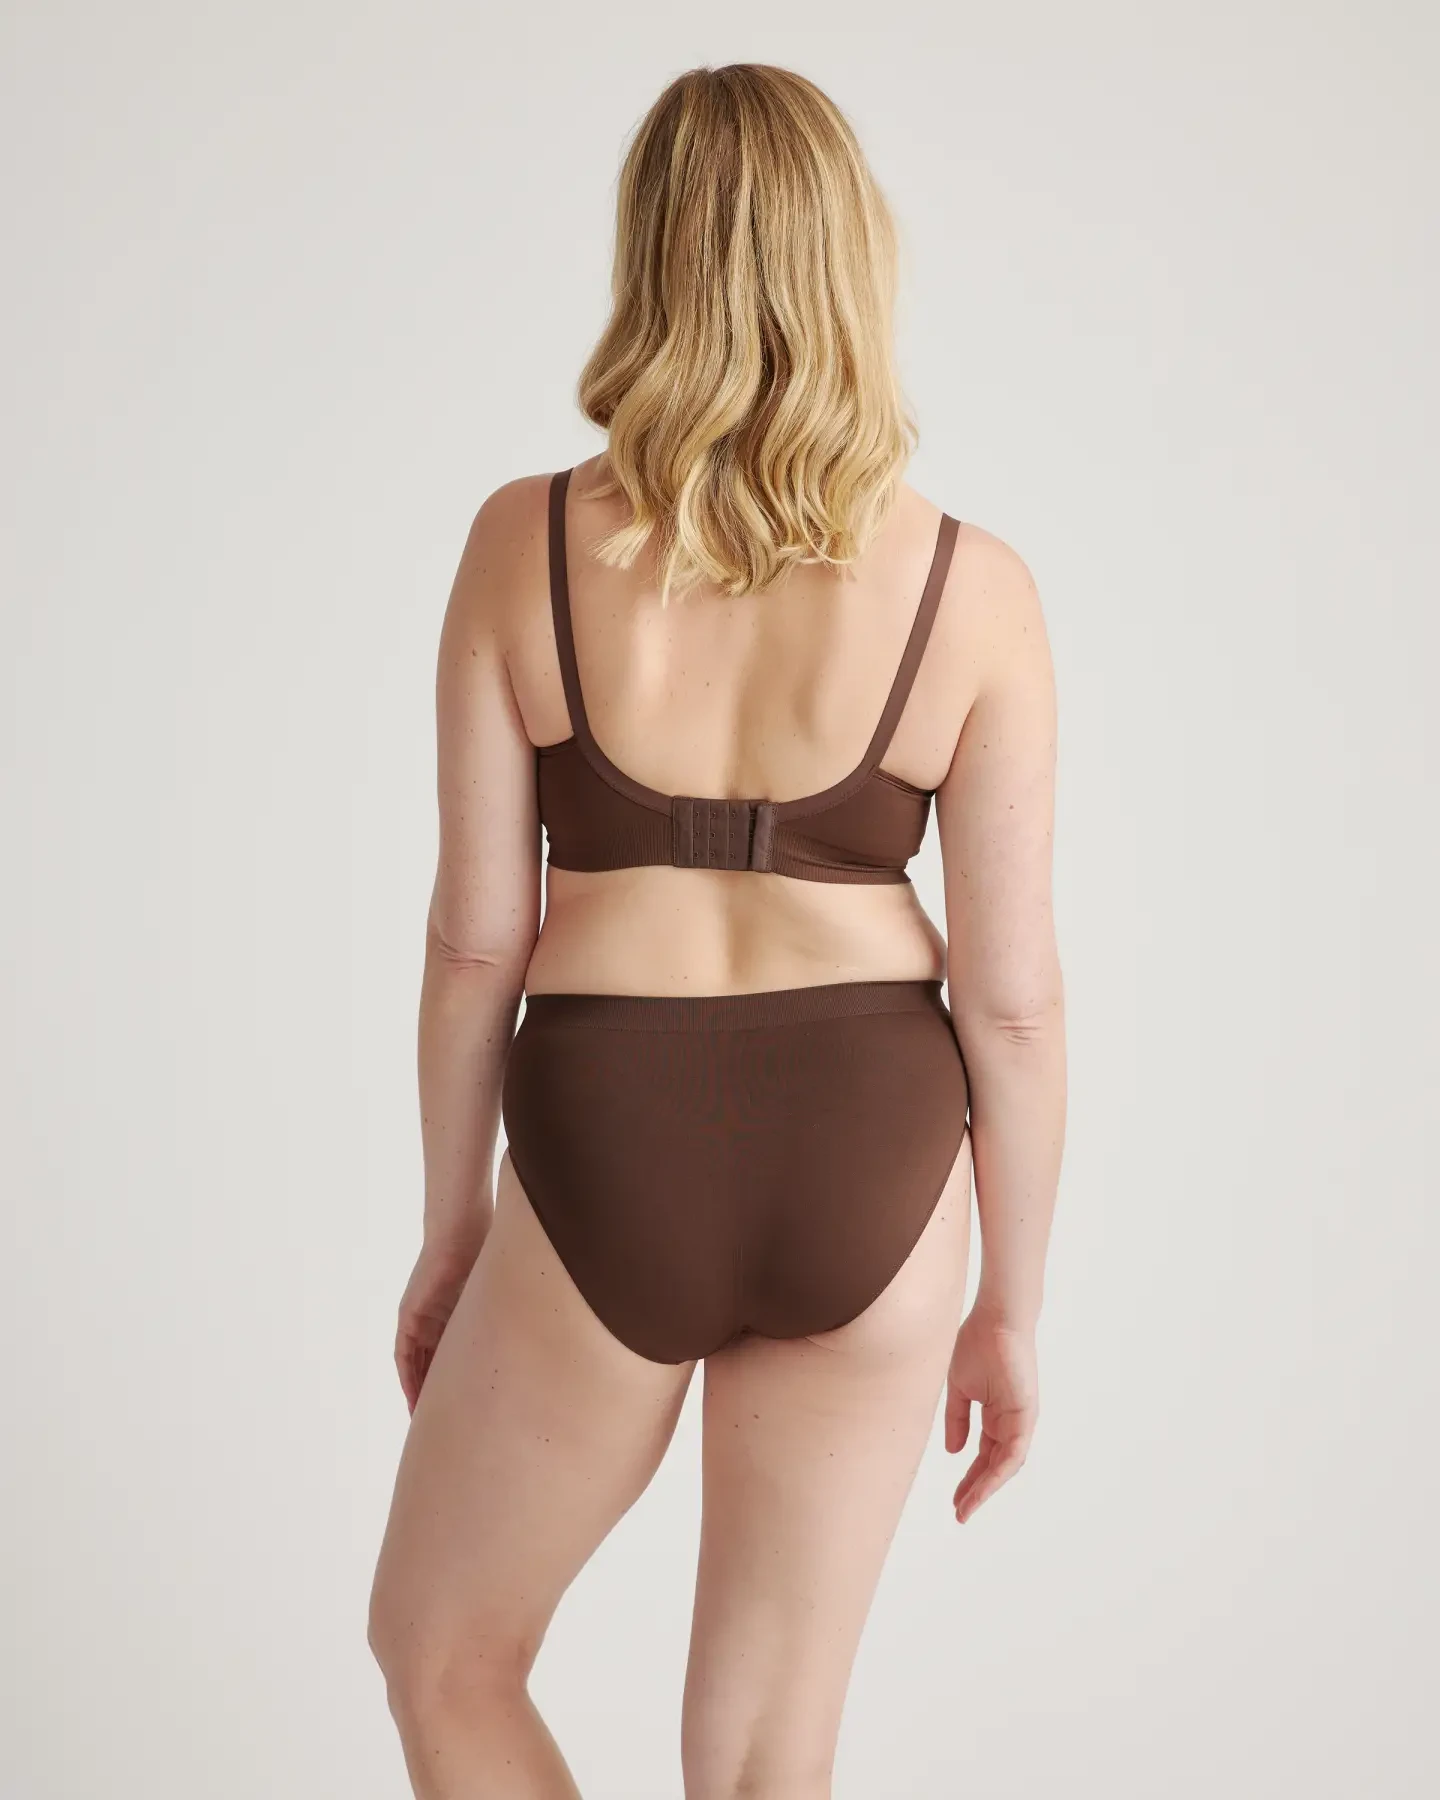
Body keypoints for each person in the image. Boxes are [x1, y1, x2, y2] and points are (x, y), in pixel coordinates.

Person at [368, 61, 1066, 1800]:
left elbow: (474, 944)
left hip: (611, 1133)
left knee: (445, 1654)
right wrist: (1012, 1303)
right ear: (853, 262)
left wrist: (454, 1231)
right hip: (875, 1144)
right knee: (762, 1761)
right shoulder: (972, 590)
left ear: (652, 256)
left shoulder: (522, 547)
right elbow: (1015, 1002)